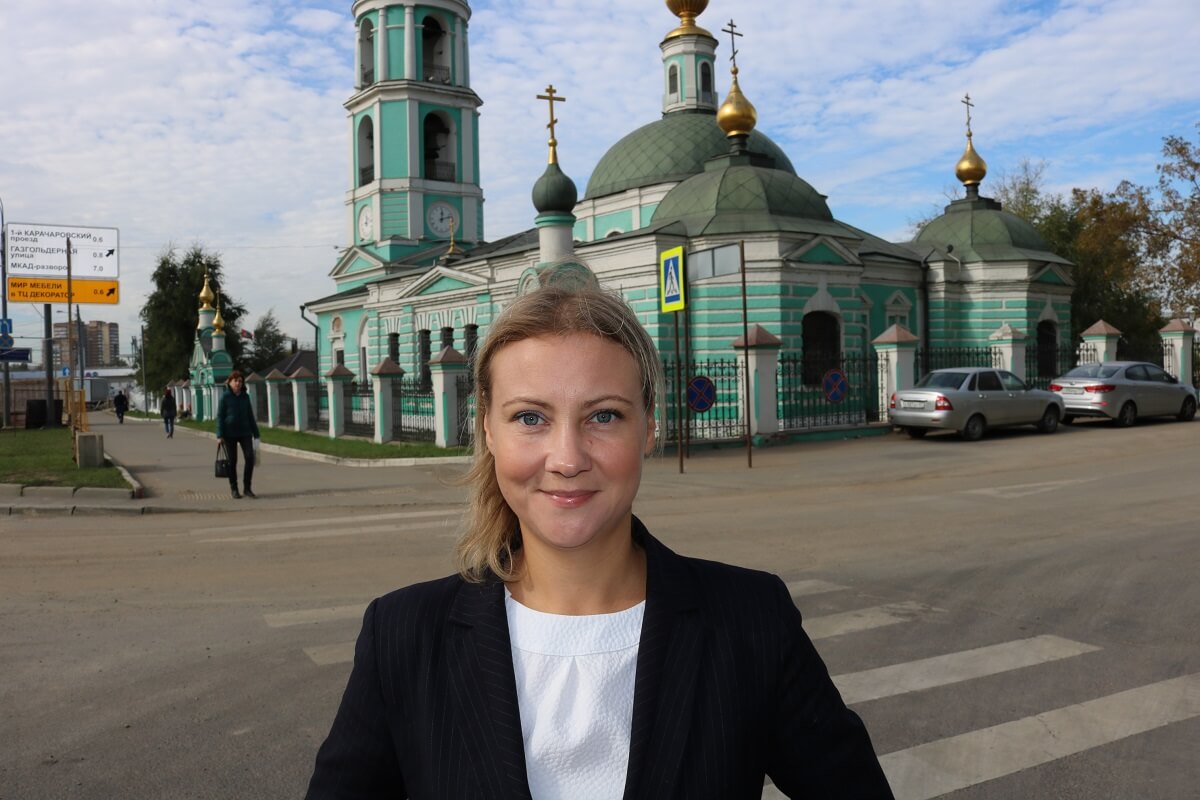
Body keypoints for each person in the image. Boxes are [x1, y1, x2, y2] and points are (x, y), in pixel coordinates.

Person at [306, 273, 894, 799]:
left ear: (650, 427)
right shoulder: (404, 635)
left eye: (604, 416)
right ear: (487, 429)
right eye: (530, 417)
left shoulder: (748, 621)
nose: (566, 459)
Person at [215, 370, 259, 500]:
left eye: (240, 381)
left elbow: (250, 415)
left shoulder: (245, 397)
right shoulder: (225, 397)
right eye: (236, 381)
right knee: (232, 461)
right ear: (230, 382)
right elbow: (220, 417)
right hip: (229, 434)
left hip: (245, 432)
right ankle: (234, 488)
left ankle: (247, 488)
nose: (238, 383)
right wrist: (219, 435)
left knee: (250, 458)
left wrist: (256, 433)